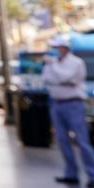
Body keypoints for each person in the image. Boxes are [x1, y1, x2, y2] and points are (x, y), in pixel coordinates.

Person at [42, 34, 94, 186]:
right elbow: (47, 79)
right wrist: (56, 72)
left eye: (58, 47)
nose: (55, 50)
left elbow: (66, 78)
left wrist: (54, 68)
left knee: (82, 141)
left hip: (74, 104)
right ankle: (71, 173)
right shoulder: (52, 63)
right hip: (57, 104)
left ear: (65, 48)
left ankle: (92, 174)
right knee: (63, 141)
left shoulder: (76, 63)